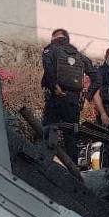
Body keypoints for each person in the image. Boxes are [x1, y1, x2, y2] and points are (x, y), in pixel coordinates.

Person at [41, 28, 98, 160]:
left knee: (49, 133)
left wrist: (55, 87)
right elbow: (97, 78)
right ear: (67, 39)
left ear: (53, 38)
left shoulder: (50, 50)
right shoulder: (79, 56)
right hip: (73, 101)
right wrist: (87, 97)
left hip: (54, 98)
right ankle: (73, 171)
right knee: (71, 136)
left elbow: (48, 69)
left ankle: (44, 166)